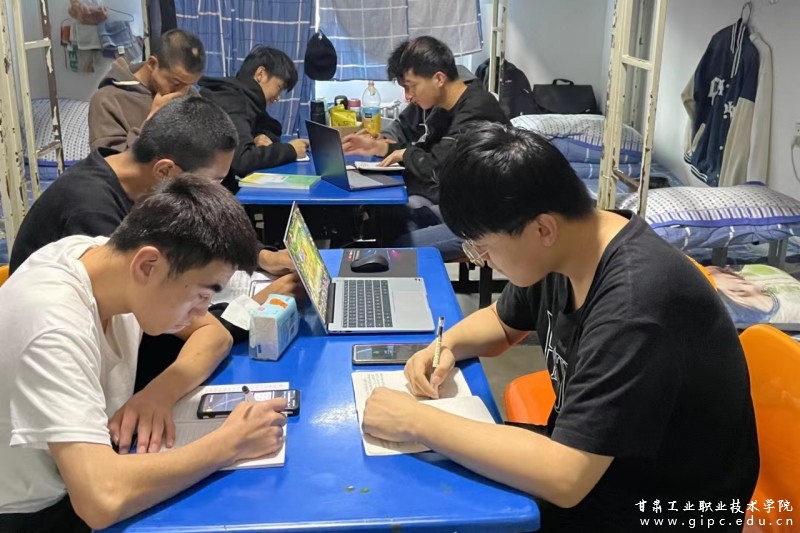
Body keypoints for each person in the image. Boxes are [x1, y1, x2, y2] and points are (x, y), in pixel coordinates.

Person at [362, 123, 759, 532]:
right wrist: (445, 346)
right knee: (423, 476)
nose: (483, 260)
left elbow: (567, 479)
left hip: (667, 503)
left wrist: (415, 421)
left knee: (435, 506)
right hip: (600, 465)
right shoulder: (566, 248)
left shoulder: (635, 303)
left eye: (484, 247)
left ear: (542, 229)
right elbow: (501, 323)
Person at [0, 175, 288, 532]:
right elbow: (100, 500)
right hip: (36, 513)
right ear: (147, 266)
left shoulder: (107, 259)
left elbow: (213, 334)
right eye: (202, 295)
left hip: (83, 473)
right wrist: (229, 444)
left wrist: (158, 394)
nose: (203, 310)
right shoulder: (52, 324)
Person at [10, 96, 301, 391]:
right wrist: (255, 308)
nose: (219, 193)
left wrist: (261, 256)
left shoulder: (128, 177)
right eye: (213, 182)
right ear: (165, 171)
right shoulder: (91, 213)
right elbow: (156, 331)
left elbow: (198, 231)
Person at [342, 36, 509, 258]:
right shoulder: (444, 106)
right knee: (387, 221)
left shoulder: (477, 109)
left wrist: (403, 153)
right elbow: (425, 152)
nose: (408, 97)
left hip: (485, 219)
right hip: (458, 203)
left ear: (438, 78)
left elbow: (437, 166)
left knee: (398, 248)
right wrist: (380, 148)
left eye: (411, 87)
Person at [199, 46, 309, 193]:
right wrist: (291, 150)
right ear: (260, 74)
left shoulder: (246, 97)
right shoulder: (231, 99)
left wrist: (259, 135)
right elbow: (242, 160)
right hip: (209, 192)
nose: (278, 97)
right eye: (279, 88)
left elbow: (272, 126)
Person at [89, 29, 206, 153]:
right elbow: (109, 162)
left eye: (190, 84)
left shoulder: (189, 92)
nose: (182, 92)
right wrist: (155, 119)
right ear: (152, 64)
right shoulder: (107, 100)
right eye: (176, 83)